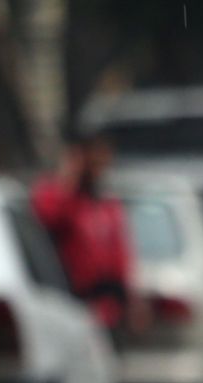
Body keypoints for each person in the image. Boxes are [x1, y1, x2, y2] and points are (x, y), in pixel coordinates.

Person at [30, 132, 140, 336]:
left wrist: (131, 299)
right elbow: (49, 217)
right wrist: (69, 177)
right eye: (95, 161)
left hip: (107, 302)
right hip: (69, 299)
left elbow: (120, 255)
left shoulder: (106, 202)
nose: (101, 168)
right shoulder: (55, 194)